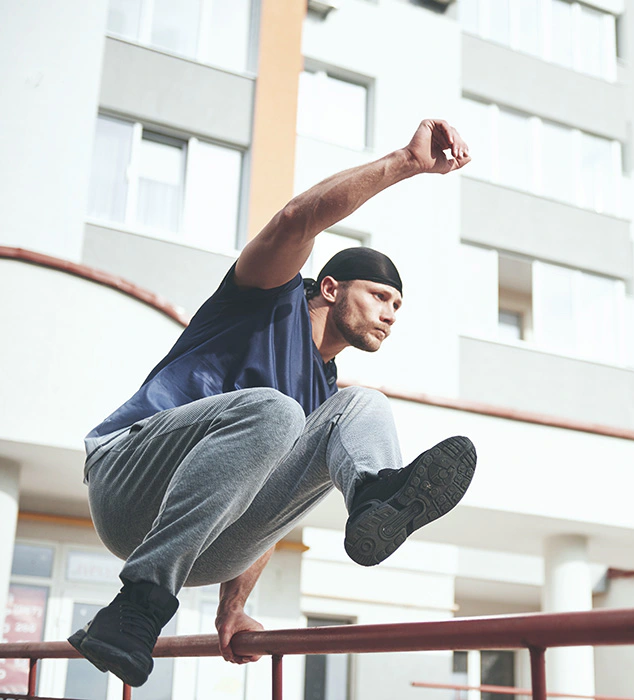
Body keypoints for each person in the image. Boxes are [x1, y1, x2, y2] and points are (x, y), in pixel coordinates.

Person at [68, 119, 477, 687]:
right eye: (380, 296)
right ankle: (136, 604)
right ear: (330, 288)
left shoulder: (323, 395)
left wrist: (232, 608)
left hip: (207, 548)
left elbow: (272, 503)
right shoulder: (264, 295)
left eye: (397, 307)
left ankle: (374, 496)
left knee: (361, 407)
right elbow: (296, 218)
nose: (389, 314)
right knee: (277, 411)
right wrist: (406, 163)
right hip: (128, 487)